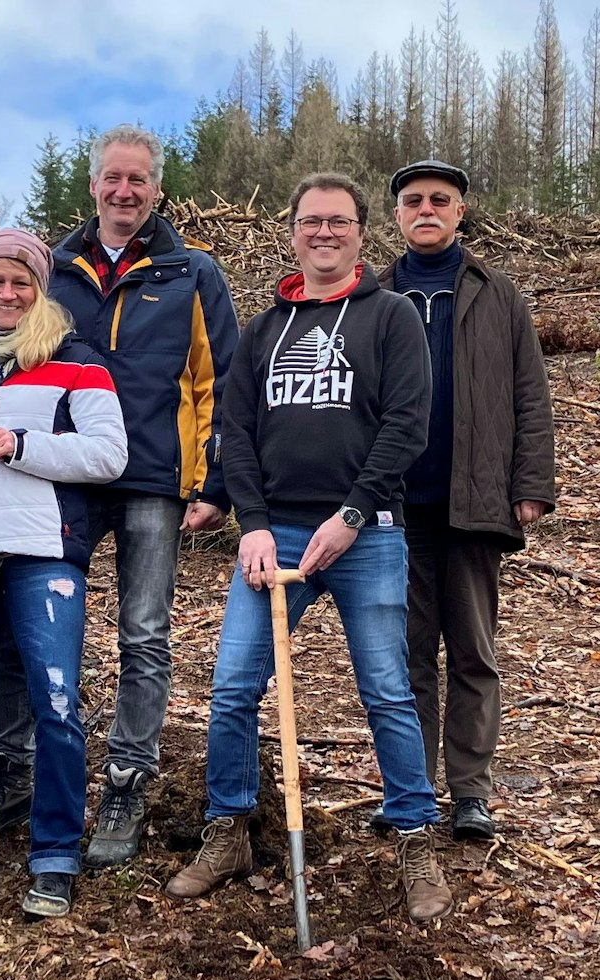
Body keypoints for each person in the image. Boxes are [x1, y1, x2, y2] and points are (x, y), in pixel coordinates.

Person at [165, 172, 453, 922]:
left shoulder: (390, 318)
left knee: (387, 689)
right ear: (292, 231)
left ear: (362, 231)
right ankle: (228, 829)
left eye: (340, 222)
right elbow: (238, 438)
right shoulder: (263, 333)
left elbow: (407, 426)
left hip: (368, 535)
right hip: (275, 533)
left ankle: (415, 834)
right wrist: (252, 522)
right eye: (311, 222)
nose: (325, 233)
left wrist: (352, 515)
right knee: (232, 686)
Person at [0, 123, 241, 869]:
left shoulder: (191, 272)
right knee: (21, 625)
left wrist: (214, 481)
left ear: (158, 189)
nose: (124, 191)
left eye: (139, 179)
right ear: (94, 185)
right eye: (113, 178)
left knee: (143, 635)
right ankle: (13, 769)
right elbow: (7, 362)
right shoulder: (52, 270)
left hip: (152, 482)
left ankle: (127, 782)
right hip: (58, 475)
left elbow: (220, 382)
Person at [0, 229, 128, 920]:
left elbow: (109, 455)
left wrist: (24, 446)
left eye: (22, 282)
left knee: (57, 705)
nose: (8, 294)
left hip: (45, 554)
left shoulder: (77, 364)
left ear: (41, 290)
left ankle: (56, 854)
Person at [380, 159, 557, 840]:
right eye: (415, 200)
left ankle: (472, 793)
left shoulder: (497, 294)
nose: (427, 209)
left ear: (461, 213)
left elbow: (530, 394)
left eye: (441, 200)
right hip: (394, 508)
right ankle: (411, 789)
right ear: (397, 216)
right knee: (407, 654)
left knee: (475, 652)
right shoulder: (372, 293)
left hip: (476, 501)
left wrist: (532, 484)